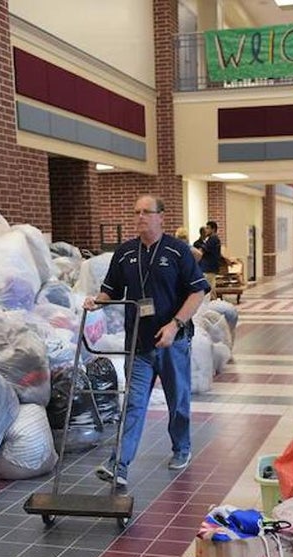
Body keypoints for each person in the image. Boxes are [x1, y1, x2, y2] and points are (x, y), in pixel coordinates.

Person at [83, 194, 209, 488]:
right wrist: (96, 303)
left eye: (147, 212)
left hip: (172, 342)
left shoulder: (178, 252)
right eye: (137, 212)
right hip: (139, 345)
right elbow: (110, 290)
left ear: (161, 217)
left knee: (177, 402)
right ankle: (120, 464)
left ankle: (181, 448)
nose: (140, 217)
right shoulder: (125, 253)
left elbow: (198, 292)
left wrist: (175, 326)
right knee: (134, 405)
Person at [198, 220, 223, 288]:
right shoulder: (213, 239)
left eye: (208, 228)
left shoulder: (213, 239)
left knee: (208, 288)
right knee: (211, 288)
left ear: (213, 229)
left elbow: (202, 250)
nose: (206, 230)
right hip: (210, 268)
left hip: (209, 268)